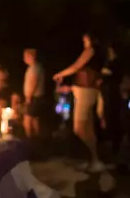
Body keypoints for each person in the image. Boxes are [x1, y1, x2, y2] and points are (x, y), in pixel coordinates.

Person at [53, 34, 106, 173]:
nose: (83, 40)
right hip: (85, 92)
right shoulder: (95, 55)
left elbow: (76, 66)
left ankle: (94, 159)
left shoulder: (90, 51)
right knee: (87, 128)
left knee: (80, 128)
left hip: (85, 93)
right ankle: (93, 160)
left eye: (86, 38)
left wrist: (60, 74)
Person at [23, 49, 45, 138]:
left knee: (27, 119)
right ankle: (37, 138)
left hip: (34, 97)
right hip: (37, 97)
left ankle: (30, 139)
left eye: (25, 56)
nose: (24, 59)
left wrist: (29, 97)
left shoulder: (35, 68)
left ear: (31, 57)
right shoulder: (35, 67)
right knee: (35, 119)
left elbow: (34, 82)